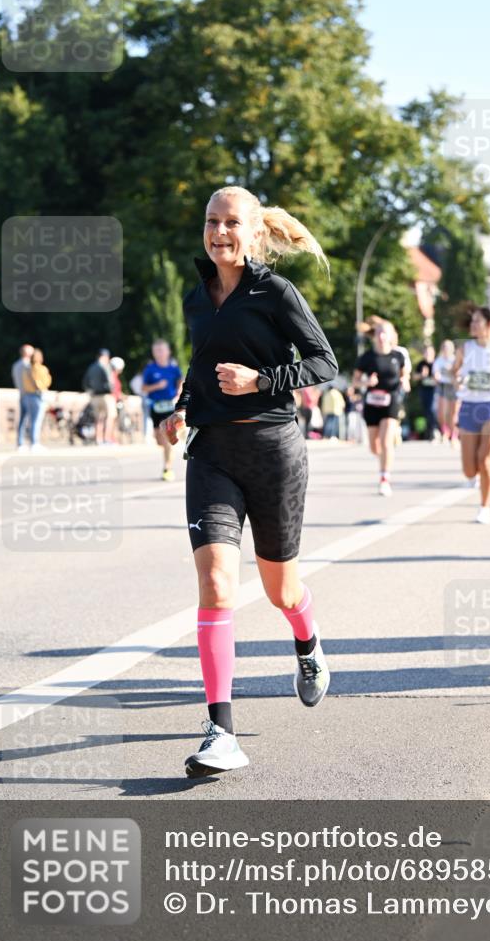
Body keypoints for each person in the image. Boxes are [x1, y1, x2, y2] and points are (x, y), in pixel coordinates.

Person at [159, 185, 338, 777]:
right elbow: (200, 360)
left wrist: (261, 379)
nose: (219, 233)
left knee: (281, 591)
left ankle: (308, 644)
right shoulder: (196, 296)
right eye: (212, 222)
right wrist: (183, 404)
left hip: (274, 453)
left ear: (255, 232)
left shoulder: (276, 292)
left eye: (231, 223)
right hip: (211, 453)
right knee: (215, 582)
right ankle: (220, 730)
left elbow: (324, 363)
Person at [452, 306, 490, 524]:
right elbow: (454, 372)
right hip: (469, 408)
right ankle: (473, 478)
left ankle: (485, 507)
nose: (473, 325)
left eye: (478, 321)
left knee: (485, 461)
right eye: (472, 321)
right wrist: (458, 379)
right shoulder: (465, 348)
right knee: (469, 469)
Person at [353, 320, 409, 496]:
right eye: (378, 332)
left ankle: (384, 478)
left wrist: (405, 382)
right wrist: (366, 382)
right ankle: (386, 458)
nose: (382, 336)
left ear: (391, 336)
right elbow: (355, 380)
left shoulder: (398, 356)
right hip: (371, 403)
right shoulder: (366, 357)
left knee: (385, 442)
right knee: (374, 447)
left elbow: (405, 375)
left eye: (385, 333)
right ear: (374, 336)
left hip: (390, 401)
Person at [142, 341, 183, 480]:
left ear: (168, 352)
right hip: (155, 407)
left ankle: (167, 468)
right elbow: (143, 388)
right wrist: (157, 386)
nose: (159, 353)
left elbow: (181, 381)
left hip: (170, 407)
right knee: (159, 439)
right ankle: (167, 453)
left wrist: (179, 393)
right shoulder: (150, 369)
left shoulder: (173, 368)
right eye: (156, 350)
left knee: (167, 438)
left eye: (161, 350)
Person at [82, 349, 115, 445]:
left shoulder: (91, 367)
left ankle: (98, 439)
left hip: (94, 396)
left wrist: (90, 391)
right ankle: (107, 438)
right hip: (105, 395)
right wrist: (111, 390)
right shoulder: (106, 366)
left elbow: (85, 382)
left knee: (98, 418)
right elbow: (110, 381)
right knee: (110, 417)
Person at [21, 348, 52, 452]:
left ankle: (31, 442)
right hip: (37, 396)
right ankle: (35, 443)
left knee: (30, 420)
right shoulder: (42, 369)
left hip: (27, 396)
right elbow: (47, 382)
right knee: (37, 421)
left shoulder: (26, 370)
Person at [432, 339, 458, 443]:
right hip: (442, 386)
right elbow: (436, 374)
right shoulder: (439, 360)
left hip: (453, 387)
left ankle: (454, 435)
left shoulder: (455, 360)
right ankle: (445, 431)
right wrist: (437, 376)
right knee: (442, 412)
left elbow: (459, 374)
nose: (446, 350)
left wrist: (453, 374)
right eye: (444, 347)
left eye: (448, 347)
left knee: (453, 413)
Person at [11, 343, 34, 451]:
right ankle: (33, 442)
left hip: (21, 394)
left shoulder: (15, 365)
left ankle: (20, 442)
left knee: (22, 419)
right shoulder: (28, 366)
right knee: (31, 420)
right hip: (30, 395)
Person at [414, 345, 437, 441]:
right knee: (426, 411)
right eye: (426, 353)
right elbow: (414, 377)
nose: (427, 355)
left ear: (433, 354)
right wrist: (421, 375)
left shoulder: (436, 364)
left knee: (433, 410)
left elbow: (440, 378)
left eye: (429, 353)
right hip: (423, 391)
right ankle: (429, 432)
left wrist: (435, 378)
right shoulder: (421, 364)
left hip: (435, 391)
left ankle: (434, 430)